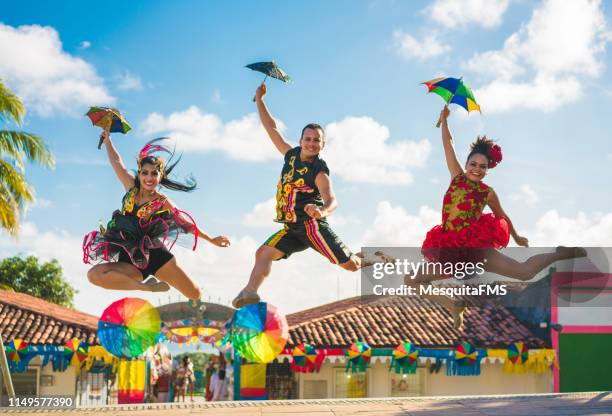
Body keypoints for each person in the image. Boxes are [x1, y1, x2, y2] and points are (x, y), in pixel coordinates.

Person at [408, 106, 586, 329]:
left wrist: (518, 237)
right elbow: (448, 144)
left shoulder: (487, 192)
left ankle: (559, 254)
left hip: (475, 249)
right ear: (466, 164)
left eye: (482, 167)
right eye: (473, 164)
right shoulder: (456, 178)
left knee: (524, 272)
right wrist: (444, 120)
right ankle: (453, 305)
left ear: (487, 169)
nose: (477, 169)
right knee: (412, 280)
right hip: (449, 248)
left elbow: (503, 217)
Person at [232, 83, 373, 308]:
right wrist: (260, 100)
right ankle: (249, 292)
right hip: (291, 228)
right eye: (307, 139)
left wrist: (321, 211)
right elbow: (271, 128)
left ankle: (367, 258)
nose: (311, 143)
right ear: (300, 142)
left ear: (322, 144)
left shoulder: (319, 170)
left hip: (312, 227)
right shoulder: (290, 156)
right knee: (263, 253)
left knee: (350, 266)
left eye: (316, 140)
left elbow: (332, 199)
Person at [83, 132, 230, 307]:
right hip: (129, 260)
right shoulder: (130, 188)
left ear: (160, 176)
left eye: (154, 174)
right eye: (145, 173)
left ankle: (199, 308)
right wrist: (108, 140)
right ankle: (147, 288)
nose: (149, 178)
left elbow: (186, 224)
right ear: (139, 174)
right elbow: (117, 162)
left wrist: (211, 239)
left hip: (155, 256)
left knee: (194, 292)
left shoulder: (162, 202)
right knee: (94, 275)